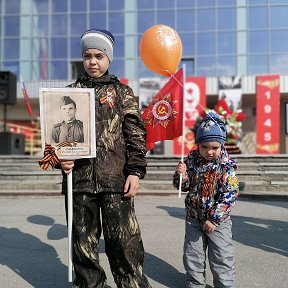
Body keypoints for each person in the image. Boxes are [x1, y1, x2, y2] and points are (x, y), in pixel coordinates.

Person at [60, 29, 151, 288]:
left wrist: (134, 171)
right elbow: (55, 141)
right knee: (83, 247)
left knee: (124, 245)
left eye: (99, 55)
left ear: (108, 58)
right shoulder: (69, 94)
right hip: (79, 183)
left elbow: (135, 135)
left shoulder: (123, 93)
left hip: (116, 182)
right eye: (87, 55)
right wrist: (60, 160)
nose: (93, 61)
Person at [173, 112, 239, 288]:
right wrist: (181, 175)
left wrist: (215, 219)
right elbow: (183, 186)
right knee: (193, 256)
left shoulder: (226, 165)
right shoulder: (191, 160)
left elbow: (230, 194)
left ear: (221, 145)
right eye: (204, 147)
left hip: (218, 223)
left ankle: (224, 285)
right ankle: (195, 284)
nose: (209, 151)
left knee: (221, 257)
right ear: (198, 145)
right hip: (194, 218)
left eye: (215, 147)